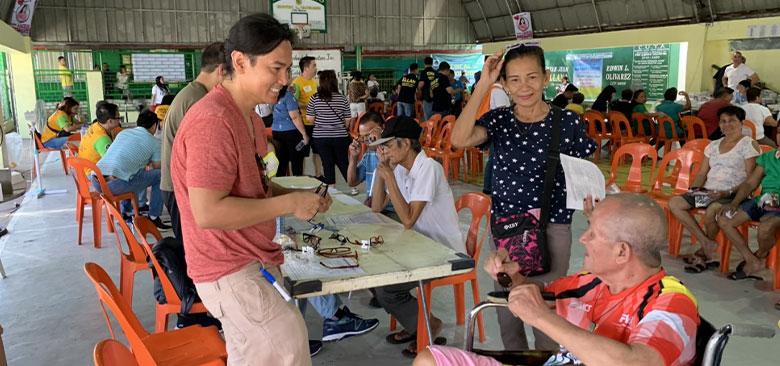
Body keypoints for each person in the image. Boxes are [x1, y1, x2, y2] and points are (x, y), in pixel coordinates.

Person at [171, 14, 332, 365]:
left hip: (252, 258)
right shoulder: (213, 121)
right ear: (240, 62)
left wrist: (301, 197)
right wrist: (289, 203)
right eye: (276, 68)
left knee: (274, 346)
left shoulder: (249, 116)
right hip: (228, 267)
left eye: (288, 69)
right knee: (286, 344)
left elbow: (256, 184)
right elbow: (209, 211)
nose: (285, 80)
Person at [414, 193, 700, 366]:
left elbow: (638, 362)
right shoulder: (595, 280)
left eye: (592, 232)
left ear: (622, 251)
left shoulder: (671, 301)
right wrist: (512, 277)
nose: (584, 239)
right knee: (430, 359)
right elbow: (539, 295)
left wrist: (540, 319)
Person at [451, 45, 596, 351]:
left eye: (532, 77)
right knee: (508, 307)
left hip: (552, 226)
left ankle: (547, 358)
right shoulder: (499, 120)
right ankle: (515, 357)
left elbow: (584, 175)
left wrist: (594, 208)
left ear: (546, 77)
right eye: (513, 80)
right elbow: (459, 139)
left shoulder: (567, 123)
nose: (524, 86)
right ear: (503, 83)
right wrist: (482, 86)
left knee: (546, 301)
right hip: (505, 227)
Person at [369, 116, 465, 357]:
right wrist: (383, 175)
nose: (384, 151)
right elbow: (377, 207)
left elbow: (409, 220)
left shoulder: (429, 169)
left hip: (444, 252)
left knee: (385, 288)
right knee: (373, 274)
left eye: (388, 145)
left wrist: (390, 176)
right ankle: (417, 324)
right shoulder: (401, 169)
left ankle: (427, 327)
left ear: (406, 144)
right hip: (420, 246)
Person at [669, 105, 760, 273]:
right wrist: (695, 189)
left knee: (712, 211)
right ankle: (706, 242)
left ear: (741, 123)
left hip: (732, 194)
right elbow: (702, 173)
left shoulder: (748, 144)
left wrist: (727, 192)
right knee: (675, 203)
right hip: (709, 193)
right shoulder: (712, 145)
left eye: (732, 121)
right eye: (723, 121)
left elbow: (750, 179)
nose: (727, 125)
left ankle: (704, 253)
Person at [160, 41, 224, 242]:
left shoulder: (194, 93)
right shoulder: (199, 100)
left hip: (177, 186)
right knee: (194, 249)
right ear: (221, 71)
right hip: (180, 188)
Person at [717, 139, 780, 281]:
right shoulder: (768, 157)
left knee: (765, 227)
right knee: (724, 218)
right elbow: (751, 183)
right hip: (763, 201)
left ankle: (761, 255)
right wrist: (735, 202)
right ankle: (752, 260)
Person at [95, 110, 169, 229]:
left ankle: (127, 211)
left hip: (97, 181)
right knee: (161, 175)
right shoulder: (154, 142)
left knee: (133, 171)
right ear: (155, 125)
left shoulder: (123, 133)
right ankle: (154, 217)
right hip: (114, 185)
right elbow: (157, 167)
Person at [306, 69, 352, 185]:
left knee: (327, 162)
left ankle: (331, 188)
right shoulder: (342, 98)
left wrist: (322, 121)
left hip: (321, 137)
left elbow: (310, 119)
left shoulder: (314, 98)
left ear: (321, 82)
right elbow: (348, 120)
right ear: (335, 82)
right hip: (340, 136)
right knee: (343, 161)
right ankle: (352, 185)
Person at [292, 55, 322, 177]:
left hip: (316, 123)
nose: (316, 68)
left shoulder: (314, 82)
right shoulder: (296, 83)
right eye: (314, 65)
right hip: (303, 124)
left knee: (318, 151)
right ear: (306, 67)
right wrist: (309, 106)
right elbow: (293, 103)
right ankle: (301, 177)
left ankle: (319, 175)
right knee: (301, 152)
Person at [347, 111, 384, 202]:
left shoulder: (395, 152)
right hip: (372, 206)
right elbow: (352, 182)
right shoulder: (369, 154)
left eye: (369, 135)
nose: (367, 141)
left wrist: (380, 144)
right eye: (363, 137)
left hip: (391, 210)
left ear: (382, 128)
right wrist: (353, 157)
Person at [272, 85, 308, 176]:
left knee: (281, 161)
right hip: (291, 132)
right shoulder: (288, 96)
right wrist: (304, 133)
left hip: (276, 131)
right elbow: (295, 117)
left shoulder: (272, 95)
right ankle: (297, 184)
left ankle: (281, 185)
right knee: (296, 160)